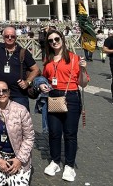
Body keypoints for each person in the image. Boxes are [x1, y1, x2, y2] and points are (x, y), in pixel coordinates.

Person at [40, 29, 89, 182]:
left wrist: (83, 69)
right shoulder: (47, 60)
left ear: (62, 39)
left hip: (71, 97)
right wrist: (42, 85)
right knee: (54, 132)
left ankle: (69, 165)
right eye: (50, 40)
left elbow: (83, 83)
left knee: (69, 134)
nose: (54, 42)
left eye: (56, 39)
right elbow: (45, 77)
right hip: (53, 96)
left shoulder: (74, 59)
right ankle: (55, 161)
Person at [0, 81, 35, 186]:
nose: (1, 93)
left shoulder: (21, 110)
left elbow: (29, 137)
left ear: (9, 92)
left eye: (4, 90)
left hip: (17, 155)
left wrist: (19, 159)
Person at [0, 26, 40, 111]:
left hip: (19, 94)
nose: (9, 38)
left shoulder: (23, 52)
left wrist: (28, 82)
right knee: (1, 121)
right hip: (0, 93)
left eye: (12, 36)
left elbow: (36, 69)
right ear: (3, 37)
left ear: (16, 37)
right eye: (7, 36)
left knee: (21, 121)